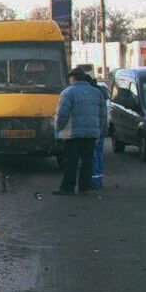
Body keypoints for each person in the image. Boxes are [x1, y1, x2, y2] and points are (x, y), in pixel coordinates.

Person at [53, 68, 106, 196]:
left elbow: (62, 114)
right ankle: (84, 188)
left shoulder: (68, 92)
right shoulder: (96, 92)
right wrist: (100, 130)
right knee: (87, 161)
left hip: (73, 134)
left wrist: (58, 127)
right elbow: (103, 115)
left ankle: (67, 188)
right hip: (91, 133)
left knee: (72, 161)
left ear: (73, 78)